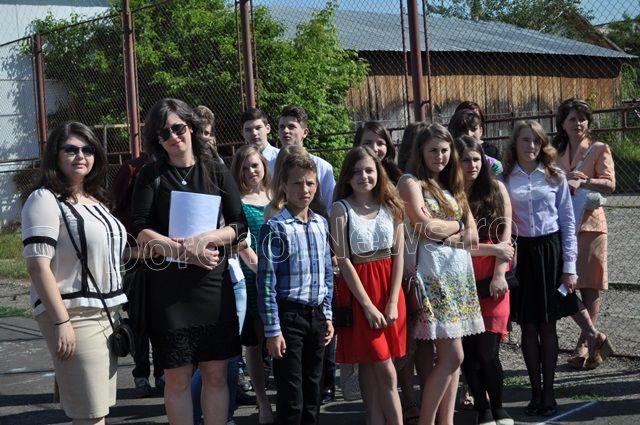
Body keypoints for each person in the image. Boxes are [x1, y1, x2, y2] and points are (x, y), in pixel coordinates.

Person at [131, 98, 247, 425]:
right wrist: (183, 251)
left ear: (191, 127)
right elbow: (139, 229)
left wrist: (206, 239)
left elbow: (239, 226)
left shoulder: (216, 169)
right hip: (169, 292)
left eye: (178, 128)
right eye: (163, 133)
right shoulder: (151, 174)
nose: (173, 136)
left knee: (216, 373)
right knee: (177, 377)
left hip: (211, 286)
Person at [22, 121, 128, 424]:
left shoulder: (95, 200)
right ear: (55, 155)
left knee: (97, 410)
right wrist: (62, 322)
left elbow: (109, 252)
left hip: (107, 315)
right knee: (91, 415)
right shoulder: (44, 199)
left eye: (87, 149)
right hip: (74, 315)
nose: (80, 155)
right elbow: (37, 265)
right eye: (70, 149)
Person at [397, 123, 484, 425]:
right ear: (420, 151)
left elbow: (473, 236)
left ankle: (446, 421)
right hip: (433, 277)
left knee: (452, 360)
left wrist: (448, 232)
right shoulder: (410, 182)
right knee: (453, 356)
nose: (440, 156)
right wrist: (457, 226)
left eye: (445, 150)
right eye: (433, 150)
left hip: (459, 276)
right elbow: (425, 228)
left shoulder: (452, 185)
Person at [502, 120, 581, 416]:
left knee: (548, 325)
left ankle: (549, 393)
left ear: (543, 144)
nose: (531, 146)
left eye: (536, 140)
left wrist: (569, 267)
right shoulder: (505, 179)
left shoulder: (555, 176)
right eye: (525, 140)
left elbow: (568, 223)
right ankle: (534, 393)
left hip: (550, 253)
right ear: (515, 144)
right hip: (522, 255)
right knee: (528, 326)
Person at [257, 150, 334, 425]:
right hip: (289, 317)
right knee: (292, 396)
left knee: (314, 391)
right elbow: (266, 283)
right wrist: (272, 330)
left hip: (316, 316)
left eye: (310, 183)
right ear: (284, 186)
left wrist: (327, 314)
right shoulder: (275, 228)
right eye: (297, 183)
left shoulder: (321, 223)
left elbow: (327, 274)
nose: (305, 189)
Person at [332, 146, 406, 424]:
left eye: (369, 170)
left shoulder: (392, 205)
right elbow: (343, 260)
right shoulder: (340, 209)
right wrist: (368, 306)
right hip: (361, 294)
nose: (363, 176)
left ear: (379, 172)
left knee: (377, 365)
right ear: (347, 177)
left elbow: (399, 255)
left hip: (390, 291)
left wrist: (392, 300)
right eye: (356, 172)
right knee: (383, 368)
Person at [455, 135, 515, 425]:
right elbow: (459, 244)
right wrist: (494, 249)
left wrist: (500, 273)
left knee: (488, 351)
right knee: (469, 352)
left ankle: (499, 407)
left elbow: (506, 237)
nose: (472, 165)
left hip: (494, 279)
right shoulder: (451, 195)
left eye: (476, 159)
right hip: (462, 277)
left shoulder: (496, 188)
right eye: (466, 160)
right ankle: (483, 410)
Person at [554, 98, 614, 369]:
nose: (578, 123)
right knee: (562, 284)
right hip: (562, 226)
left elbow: (610, 184)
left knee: (590, 284)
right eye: (572, 119)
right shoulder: (554, 151)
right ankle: (594, 336)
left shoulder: (599, 149)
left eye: (582, 118)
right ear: (562, 123)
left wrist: (585, 181)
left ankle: (585, 346)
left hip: (591, 225)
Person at [111, 150, 164, 397]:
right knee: (139, 317)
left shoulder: (174, 166)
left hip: (166, 255)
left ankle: (163, 373)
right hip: (137, 256)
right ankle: (141, 374)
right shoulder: (132, 169)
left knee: (163, 319)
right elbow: (115, 210)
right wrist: (129, 249)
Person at [230, 144, 275, 424]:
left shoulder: (276, 197)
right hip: (251, 278)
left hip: (279, 278)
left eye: (255, 165)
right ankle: (262, 401)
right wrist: (261, 270)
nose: (251, 171)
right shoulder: (236, 201)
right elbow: (240, 241)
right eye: (245, 167)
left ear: (264, 167)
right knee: (255, 343)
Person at [278, 104, 336, 211]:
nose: (285, 131)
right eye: (282, 127)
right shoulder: (270, 164)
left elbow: (330, 205)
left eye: (291, 127)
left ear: (305, 132)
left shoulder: (323, 167)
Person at [449, 108, 503, 175]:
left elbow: (500, 174)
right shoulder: (446, 159)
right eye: (463, 130)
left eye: (473, 129)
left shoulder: (491, 160)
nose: (469, 134)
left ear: (481, 131)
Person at [242, 107, 280, 173]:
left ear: (268, 128)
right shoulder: (241, 162)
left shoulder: (280, 157)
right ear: (243, 133)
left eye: (258, 128)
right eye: (248, 130)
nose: (254, 133)